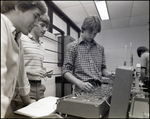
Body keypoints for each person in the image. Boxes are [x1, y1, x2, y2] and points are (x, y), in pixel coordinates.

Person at [1, 1, 47, 118]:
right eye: (35, 16)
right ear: (19, 7)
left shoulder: (18, 36)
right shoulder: (1, 24)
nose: (36, 23)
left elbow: (21, 77)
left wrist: (29, 102)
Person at [62, 15, 112, 93]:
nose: (92, 36)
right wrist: (80, 83)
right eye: (90, 33)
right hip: (81, 90)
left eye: (94, 34)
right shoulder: (72, 47)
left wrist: (109, 74)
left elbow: (102, 69)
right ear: (83, 29)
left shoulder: (100, 48)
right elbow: (65, 71)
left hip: (98, 90)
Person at [21, 14, 53, 101]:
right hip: (25, 86)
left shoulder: (42, 46)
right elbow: (11, 66)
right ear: (33, 23)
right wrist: (30, 71)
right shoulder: (21, 39)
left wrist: (45, 71)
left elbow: (36, 66)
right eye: (42, 25)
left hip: (40, 87)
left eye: (46, 26)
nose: (45, 29)